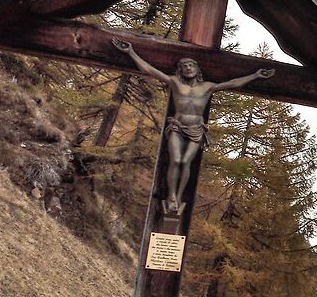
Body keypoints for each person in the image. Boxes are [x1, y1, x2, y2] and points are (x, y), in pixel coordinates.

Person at [113, 39, 274, 216]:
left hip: (196, 130)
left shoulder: (208, 87)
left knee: (185, 162)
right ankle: (172, 196)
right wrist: (131, 53)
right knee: (175, 160)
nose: (188, 68)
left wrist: (255, 76)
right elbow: (150, 70)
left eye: (191, 65)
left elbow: (233, 83)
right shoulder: (175, 82)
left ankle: (179, 196)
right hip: (177, 126)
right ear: (180, 70)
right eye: (184, 66)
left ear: (197, 69)